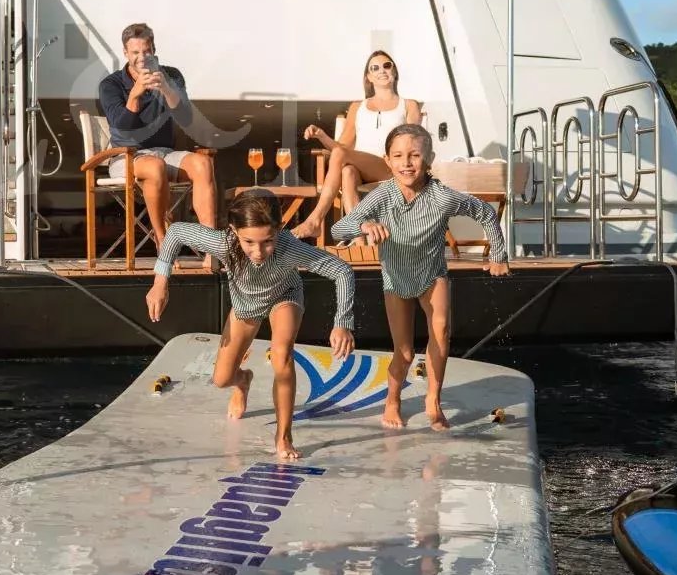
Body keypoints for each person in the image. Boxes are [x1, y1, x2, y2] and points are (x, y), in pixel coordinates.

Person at [146, 189, 356, 461]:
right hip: (245, 305)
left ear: (279, 229)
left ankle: (284, 436)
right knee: (221, 379)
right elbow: (175, 233)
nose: (259, 252)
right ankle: (243, 380)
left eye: (268, 241)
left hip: (284, 295)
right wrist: (160, 282)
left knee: (282, 355)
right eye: (249, 242)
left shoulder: (289, 248)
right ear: (234, 231)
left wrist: (342, 322)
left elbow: (342, 270)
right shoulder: (223, 243)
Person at [329, 123, 508, 432]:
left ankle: (433, 400)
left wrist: (498, 256)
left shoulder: (442, 197)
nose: (406, 163)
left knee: (441, 332)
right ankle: (393, 399)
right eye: (398, 156)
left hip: (432, 275)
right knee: (405, 352)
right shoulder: (382, 196)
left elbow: (485, 213)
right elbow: (337, 229)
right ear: (387, 160)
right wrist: (364, 226)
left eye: (414, 155)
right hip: (395, 280)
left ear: (429, 159)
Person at [97, 22, 218, 242]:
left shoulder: (171, 75)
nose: (141, 58)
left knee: (203, 163)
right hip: (127, 156)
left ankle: (210, 245)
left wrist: (167, 89)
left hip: (165, 153)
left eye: (146, 51)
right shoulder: (110, 84)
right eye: (135, 52)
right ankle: (164, 242)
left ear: (154, 50)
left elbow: (186, 118)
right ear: (125, 53)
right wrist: (134, 94)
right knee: (155, 166)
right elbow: (123, 126)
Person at [292, 50, 421, 240]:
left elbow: (413, 143)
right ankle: (360, 241)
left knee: (341, 156)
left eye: (387, 65)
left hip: (392, 167)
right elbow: (342, 146)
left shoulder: (409, 105)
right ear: (368, 77)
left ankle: (315, 220)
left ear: (394, 71)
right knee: (347, 171)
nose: (382, 70)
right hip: (362, 170)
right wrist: (322, 136)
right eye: (375, 68)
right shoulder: (357, 107)